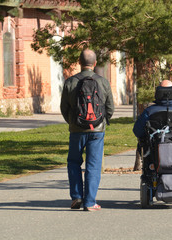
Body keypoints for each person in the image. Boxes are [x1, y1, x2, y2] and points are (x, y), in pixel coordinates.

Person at [60, 49, 114, 211]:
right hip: (97, 130)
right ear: (95, 63)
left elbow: (64, 108)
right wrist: (103, 122)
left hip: (76, 130)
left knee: (73, 163)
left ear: (79, 62)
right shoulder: (103, 82)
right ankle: (90, 202)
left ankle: (76, 196)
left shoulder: (70, 82)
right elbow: (110, 107)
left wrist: (72, 122)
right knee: (94, 165)